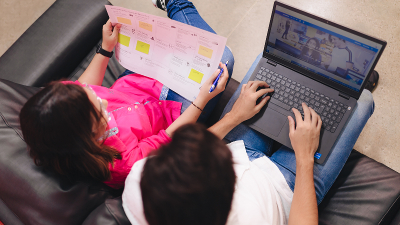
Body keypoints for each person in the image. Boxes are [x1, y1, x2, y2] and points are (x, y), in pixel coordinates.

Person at [122, 1, 376, 224]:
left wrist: (235, 116)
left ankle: (332, 80)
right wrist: (305, 158)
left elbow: (190, 154)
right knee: (361, 100)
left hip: (239, 146)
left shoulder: (138, 182)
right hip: (284, 186)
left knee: (265, 65)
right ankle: (347, 85)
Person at [19, 14, 234, 189]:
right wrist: (201, 101)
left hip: (134, 85)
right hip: (173, 112)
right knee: (222, 56)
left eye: (95, 96)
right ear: (90, 137)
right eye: (100, 111)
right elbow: (167, 138)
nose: (103, 101)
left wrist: (106, 48)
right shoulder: (123, 165)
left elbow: (83, 86)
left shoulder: (65, 108)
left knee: (164, 38)